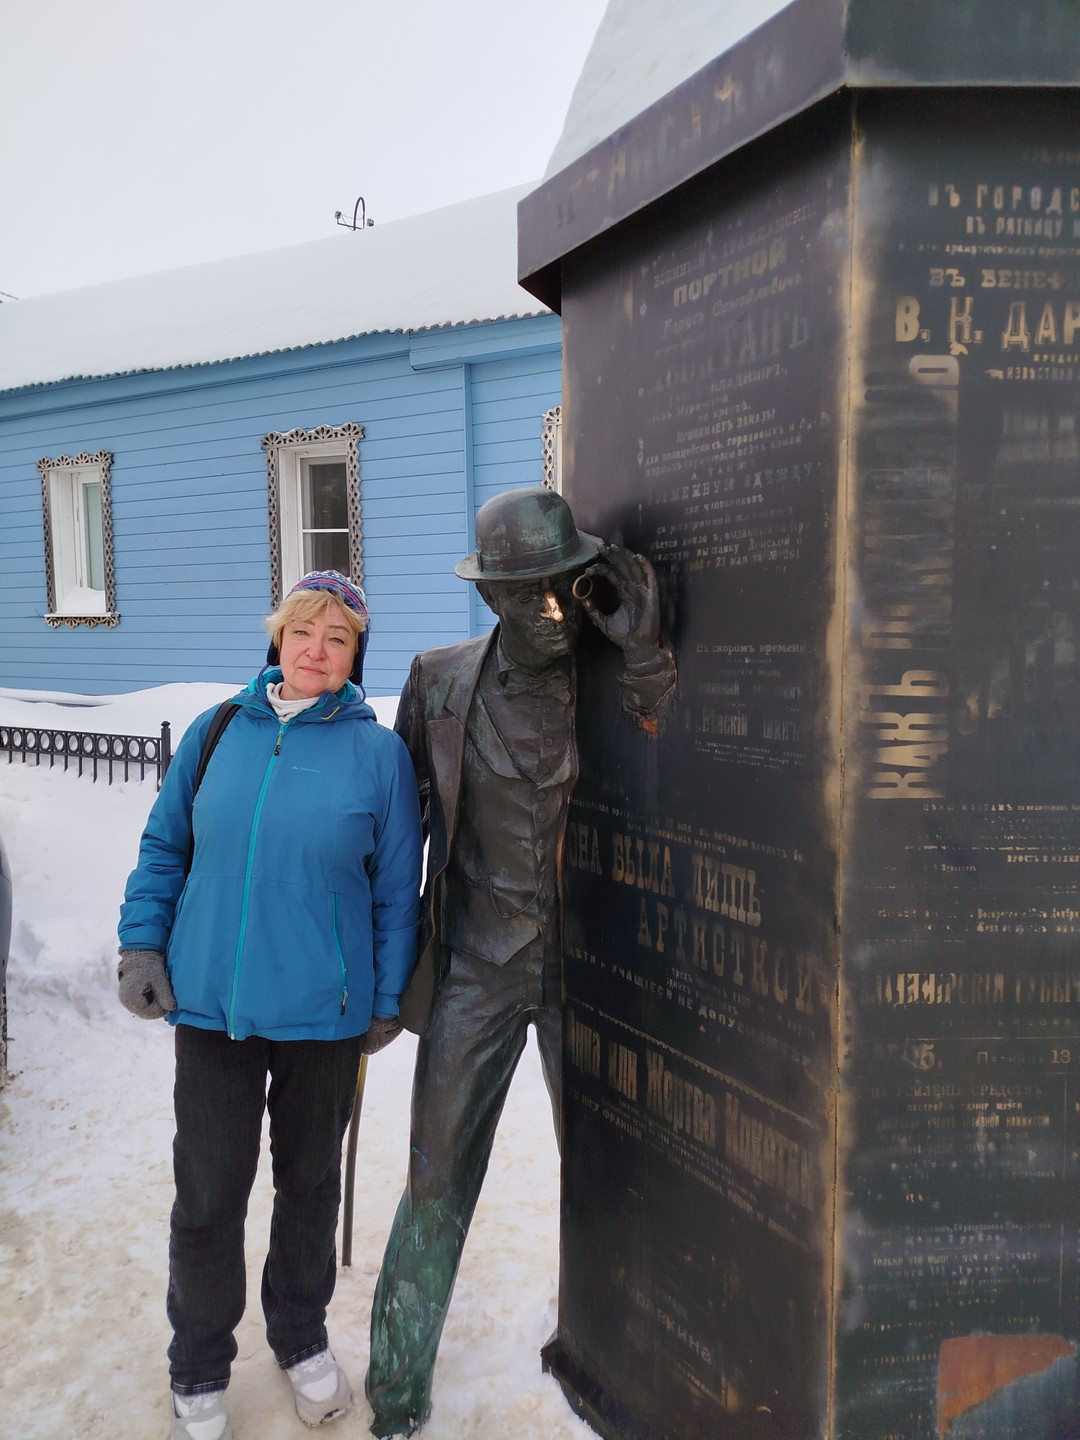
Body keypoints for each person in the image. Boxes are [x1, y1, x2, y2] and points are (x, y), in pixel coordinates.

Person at [367, 488, 676, 1437]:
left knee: (615, 1168)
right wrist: (376, 966)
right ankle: (397, 1389)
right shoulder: (439, 682)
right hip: (478, 968)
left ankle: (634, 1365)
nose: (548, 610)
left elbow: (675, 744)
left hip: (589, 970)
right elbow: (392, 827)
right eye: (525, 592)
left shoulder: (613, 676)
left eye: (562, 586)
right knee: (435, 1173)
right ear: (492, 597)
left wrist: (649, 649)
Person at [118, 571, 422, 1440]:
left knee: (309, 1188)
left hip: (325, 1017)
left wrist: (385, 997)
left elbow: (398, 890)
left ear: (356, 655)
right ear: (277, 640)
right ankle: (199, 1365)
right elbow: (164, 846)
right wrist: (143, 943)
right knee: (208, 1193)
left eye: (337, 638)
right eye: (303, 632)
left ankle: (299, 1337)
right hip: (212, 1005)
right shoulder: (217, 734)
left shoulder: (378, 755)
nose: (316, 650)